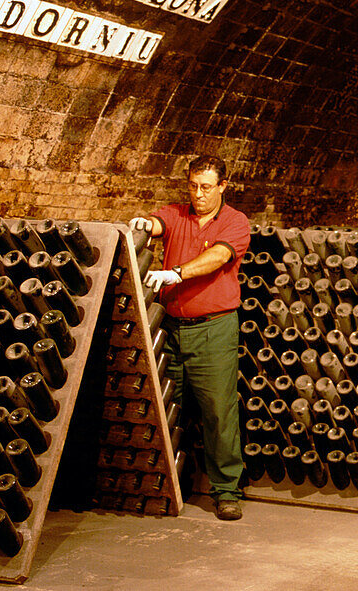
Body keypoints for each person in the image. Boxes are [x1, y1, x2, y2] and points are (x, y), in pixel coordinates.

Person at [129, 155, 250, 521]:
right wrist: (143, 223)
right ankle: (173, 483)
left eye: (207, 187)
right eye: (194, 186)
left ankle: (227, 490)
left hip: (213, 330)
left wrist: (176, 274)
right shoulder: (177, 214)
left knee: (218, 410)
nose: (199, 194)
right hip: (171, 326)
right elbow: (157, 223)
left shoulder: (235, 222)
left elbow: (217, 257)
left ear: (223, 186)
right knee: (171, 407)